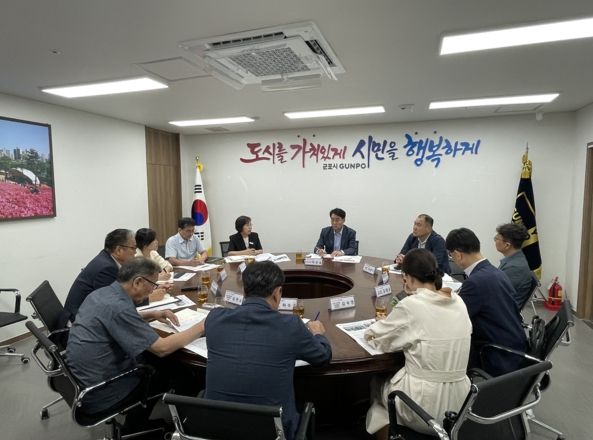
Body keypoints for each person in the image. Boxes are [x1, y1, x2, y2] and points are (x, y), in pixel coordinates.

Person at [65, 258, 205, 432]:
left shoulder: (102, 294)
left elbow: (117, 317)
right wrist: (203, 325)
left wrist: (153, 313)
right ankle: (156, 427)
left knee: (156, 361)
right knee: (185, 374)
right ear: (138, 282)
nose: (153, 290)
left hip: (84, 380)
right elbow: (162, 348)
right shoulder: (118, 307)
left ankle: (138, 422)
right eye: (153, 284)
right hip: (102, 391)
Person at [204, 261, 332, 440]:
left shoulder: (214, 319)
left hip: (215, 429)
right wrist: (318, 334)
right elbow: (323, 357)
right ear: (277, 293)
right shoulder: (290, 326)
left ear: (244, 291)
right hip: (274, 432)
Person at [364, 248, 472, 438]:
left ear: (409, 278)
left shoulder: (412, 305)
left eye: (404, 278)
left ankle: (388, 432)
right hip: (462, 403)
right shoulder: (459, 301)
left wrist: (381, 324)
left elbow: (376, 338)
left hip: (424, 407)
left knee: (377, 384)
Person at [446, 228, 527, 376]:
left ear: (457, 254)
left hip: (495, 355)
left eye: (451, 255)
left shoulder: (476, 282)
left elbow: (453, 318)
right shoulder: (496, 272)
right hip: (513, 346)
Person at [61, 229, 137, 327]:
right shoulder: (107, 268)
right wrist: (144, 300)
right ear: (119, 250)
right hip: (80, 325)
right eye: (133, 248)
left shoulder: (106, 259)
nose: (135, 252)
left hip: (86, 315)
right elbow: (114, 306)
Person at [495, 223, 534, 307]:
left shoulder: (515, 268)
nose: (495, 241)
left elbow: (497, 294)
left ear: (507, 245)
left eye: (496, 239)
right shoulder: (514, 260)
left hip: (504, 311)